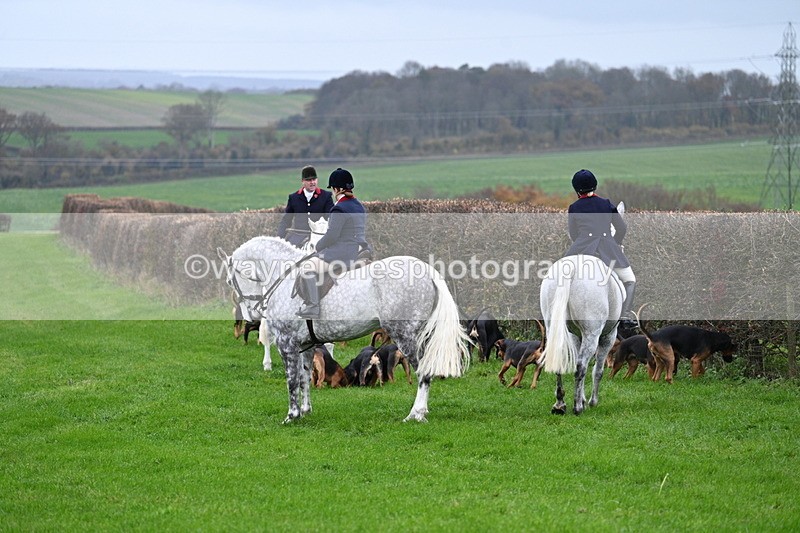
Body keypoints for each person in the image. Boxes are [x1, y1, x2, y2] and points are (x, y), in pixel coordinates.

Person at [564, 169, 637, 329]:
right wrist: (614, 243)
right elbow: (622, 228)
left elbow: (573, 233)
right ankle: (625, 316)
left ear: (577, 189)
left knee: (559, 276)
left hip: (580, 249)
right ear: (594, 186)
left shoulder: (574, 207)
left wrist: (583, 243)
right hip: (608, 249)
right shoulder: (606, 204)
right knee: (630, 280)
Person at [297, 168, 367, 319]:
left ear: (336, 189)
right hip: (361, 250)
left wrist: (317, 247)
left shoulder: (339, 208)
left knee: (306, 267)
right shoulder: (359, 205)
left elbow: (331, 237)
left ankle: (313, 307)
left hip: (343, 254)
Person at [277, 165, 334, 248]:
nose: (312, 182)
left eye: (314, 179)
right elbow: (286, 220)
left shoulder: (326, 196)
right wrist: (278, 240)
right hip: (298, 237)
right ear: (303, 181)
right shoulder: (294, 198)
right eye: (309, 180)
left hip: (319, 236)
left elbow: (331, 218)